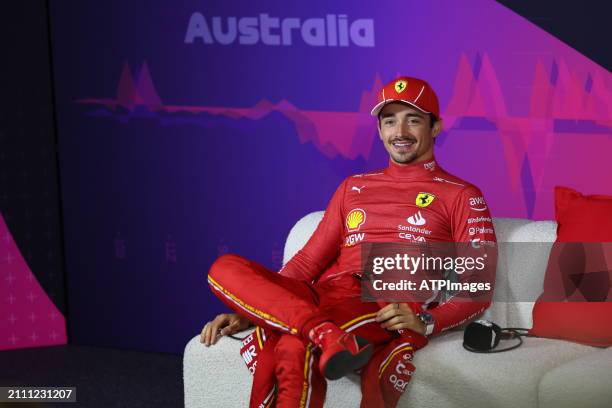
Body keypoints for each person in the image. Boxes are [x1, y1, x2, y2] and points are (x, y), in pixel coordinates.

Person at [201, 76, 497, 408]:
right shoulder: (352, 186)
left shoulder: (462, 195)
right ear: (380, 130)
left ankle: (318, 334)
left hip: (378, 301)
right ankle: (326, 334)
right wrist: (257, 310)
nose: (399, 132)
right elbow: (306, 263)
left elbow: (478, 287)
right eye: (389, 121)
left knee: (292, 345)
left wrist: (427, 321)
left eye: (412, 120)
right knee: (223, 267)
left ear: (436, 127)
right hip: (324, 295)